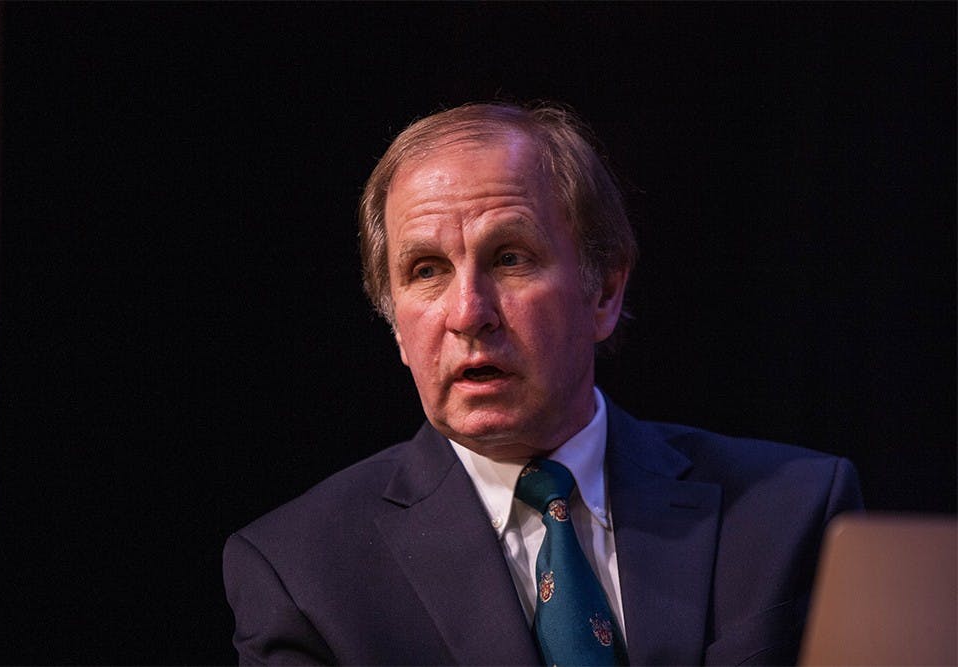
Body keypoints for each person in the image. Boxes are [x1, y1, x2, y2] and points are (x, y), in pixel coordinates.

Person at [223, 102, 863, 665]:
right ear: (396, 326)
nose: (468, 312)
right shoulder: (301, 574)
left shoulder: (792, 515)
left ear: (604, 292)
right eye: (426, 270)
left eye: (510, 258)